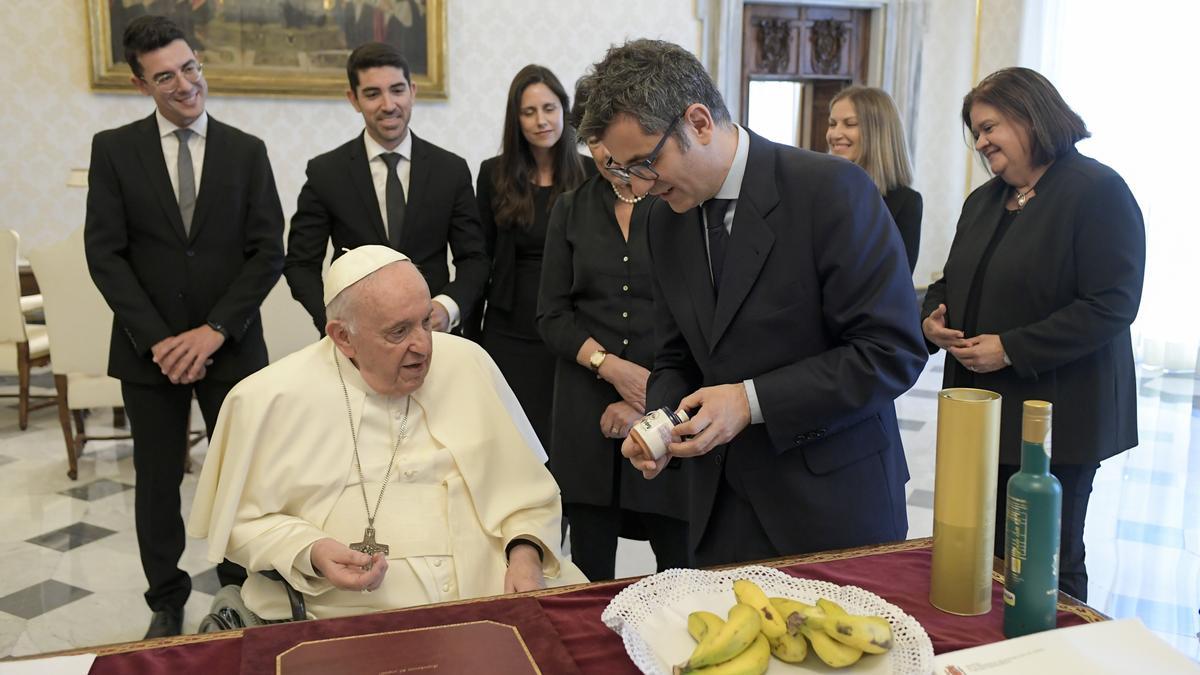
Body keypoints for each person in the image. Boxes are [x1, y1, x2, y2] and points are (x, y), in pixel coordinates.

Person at [580, 39, 927, 567]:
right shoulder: (660, 220)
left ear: (698, 122)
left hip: (832, 506)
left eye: (645, 164)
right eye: (623, 172)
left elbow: (891, 352)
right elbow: (675, 355)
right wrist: (663, 425)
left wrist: (750, 401)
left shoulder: (832, 191)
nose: (639, 187)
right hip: (720, 510)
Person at [188, 246, 587, 621]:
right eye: (398, 332)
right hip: (349, 611)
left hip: (493, 589)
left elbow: (528, 495)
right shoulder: (269, 398)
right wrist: (309, 551)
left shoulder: (468, 363)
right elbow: (242, 523)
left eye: (426, 321)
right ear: (343, 336)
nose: (423, 346)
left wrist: (525, 555)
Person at [85, 15, 284, 638]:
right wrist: (160, 339)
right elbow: (105, 253)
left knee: (240, 473)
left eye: (189, 67)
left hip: (230, 347)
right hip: (149, 353)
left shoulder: (247, 151)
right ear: (142, 84)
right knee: (157, 477)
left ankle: (235, 586)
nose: (184, 84)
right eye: (165, 76)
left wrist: (214, 331)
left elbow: (267, 250)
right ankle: (165, 600)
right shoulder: (113, 150)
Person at [922, 67, 1144, 601]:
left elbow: (1113, 303)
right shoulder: (985, 200)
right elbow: (949, 280)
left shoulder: (1097, 190)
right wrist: (932, 318)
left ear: (1031, 116)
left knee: (1046, 556)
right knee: (989, 555)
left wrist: (1011, 347)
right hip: (982, 415)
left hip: (1058, 416)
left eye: (990, 126)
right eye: (976, 132)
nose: (981, 143)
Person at [535, 84, 688, 581]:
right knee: (588, 570)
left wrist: (646, 394)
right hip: (585, 407)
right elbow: (552, 315)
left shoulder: (677, 206)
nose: (602, 151)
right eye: (591, 137)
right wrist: (611, 368)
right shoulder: (569, 209)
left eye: (608, 135)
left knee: (678, 563)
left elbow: (694, 318)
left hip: (667, 401)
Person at [284, 41, 488, 336]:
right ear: (353, 99)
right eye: (372, 94)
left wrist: (447, 307)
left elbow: (475, 259)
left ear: (412, 92)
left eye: (397, 90)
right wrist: (336, 321)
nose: (388, 104)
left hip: (433, 335)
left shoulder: (451, 170)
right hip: (354, 342)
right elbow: (300, 265)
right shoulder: (325, 172)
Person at [469, 65, 587, 447]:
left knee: (563, 435)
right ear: (515, 119)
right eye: (529, 112)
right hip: (509, 326)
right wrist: (470, 338)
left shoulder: (590, 174)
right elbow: (480, 256)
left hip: (570, 326)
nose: (541, 121)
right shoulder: (494, 174)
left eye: (549, 108)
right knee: (511, 437)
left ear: (564, 111)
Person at [827, 86, 922, 274]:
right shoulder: (817, 191)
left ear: (877, 132)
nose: (835, 134)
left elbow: (897, 278)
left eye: (850, 124)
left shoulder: (906, 202)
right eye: (832, 124)